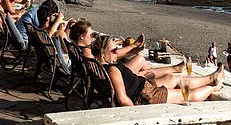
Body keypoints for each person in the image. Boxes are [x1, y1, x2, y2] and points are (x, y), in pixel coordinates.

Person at [93, 35, 223, 106]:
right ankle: (213, 86)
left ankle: (210, 78)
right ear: (102, 53)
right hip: (145, 96)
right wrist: (135, 116)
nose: (118, 52)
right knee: (187, 95)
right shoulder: (112, 70)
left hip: (143, 87)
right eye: (114, 50)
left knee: (173, 78)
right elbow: (123, 99)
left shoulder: (99, 66)